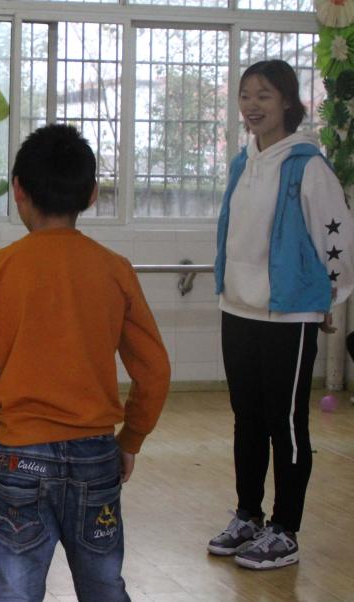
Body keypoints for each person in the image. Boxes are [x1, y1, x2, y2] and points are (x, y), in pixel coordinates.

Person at [0, 124, 171, 602]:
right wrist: (131, 438)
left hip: (19, 457)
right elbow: (155, 370)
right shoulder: (115, 269)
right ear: (92, 195)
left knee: (14, 590)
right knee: (104, 586)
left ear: (18, 190)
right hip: (96, 455)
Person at [208, 59, 354, 569]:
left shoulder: (307, 165)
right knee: (246, 419)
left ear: (288, 102)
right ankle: (248, 515)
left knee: (286, 423)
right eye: (245, 95)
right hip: (237, 308)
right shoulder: (241, 162)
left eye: (264, 95)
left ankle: (285, 529)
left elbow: (336, 240)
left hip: (289, 316)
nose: (252, 105)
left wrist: (328, 298)